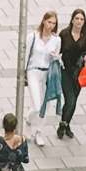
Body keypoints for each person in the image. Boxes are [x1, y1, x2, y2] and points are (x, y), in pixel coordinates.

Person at [23, 11, 61, 146]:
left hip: (48, 73)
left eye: (54, 23)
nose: (51, 25)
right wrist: (23, 72)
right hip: (33, 71)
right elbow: (26, 55)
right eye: (49, 22)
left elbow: (57, 59)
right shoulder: (33, 37)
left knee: (46, 105)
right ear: (44, 21)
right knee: (37, 105)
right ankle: (28, 121)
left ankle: (39, 131)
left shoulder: (56, 40)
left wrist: (55, 57)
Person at [56, 9, 86, 139]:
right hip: (65, 71)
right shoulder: (64, 34)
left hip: (79, 72)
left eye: (82, 19)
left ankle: (66, 124)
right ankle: (62, 125)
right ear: (72, 20)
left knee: (73, 100)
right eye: (77, 18)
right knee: (70, 100)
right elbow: (57, 50)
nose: (79, 21)